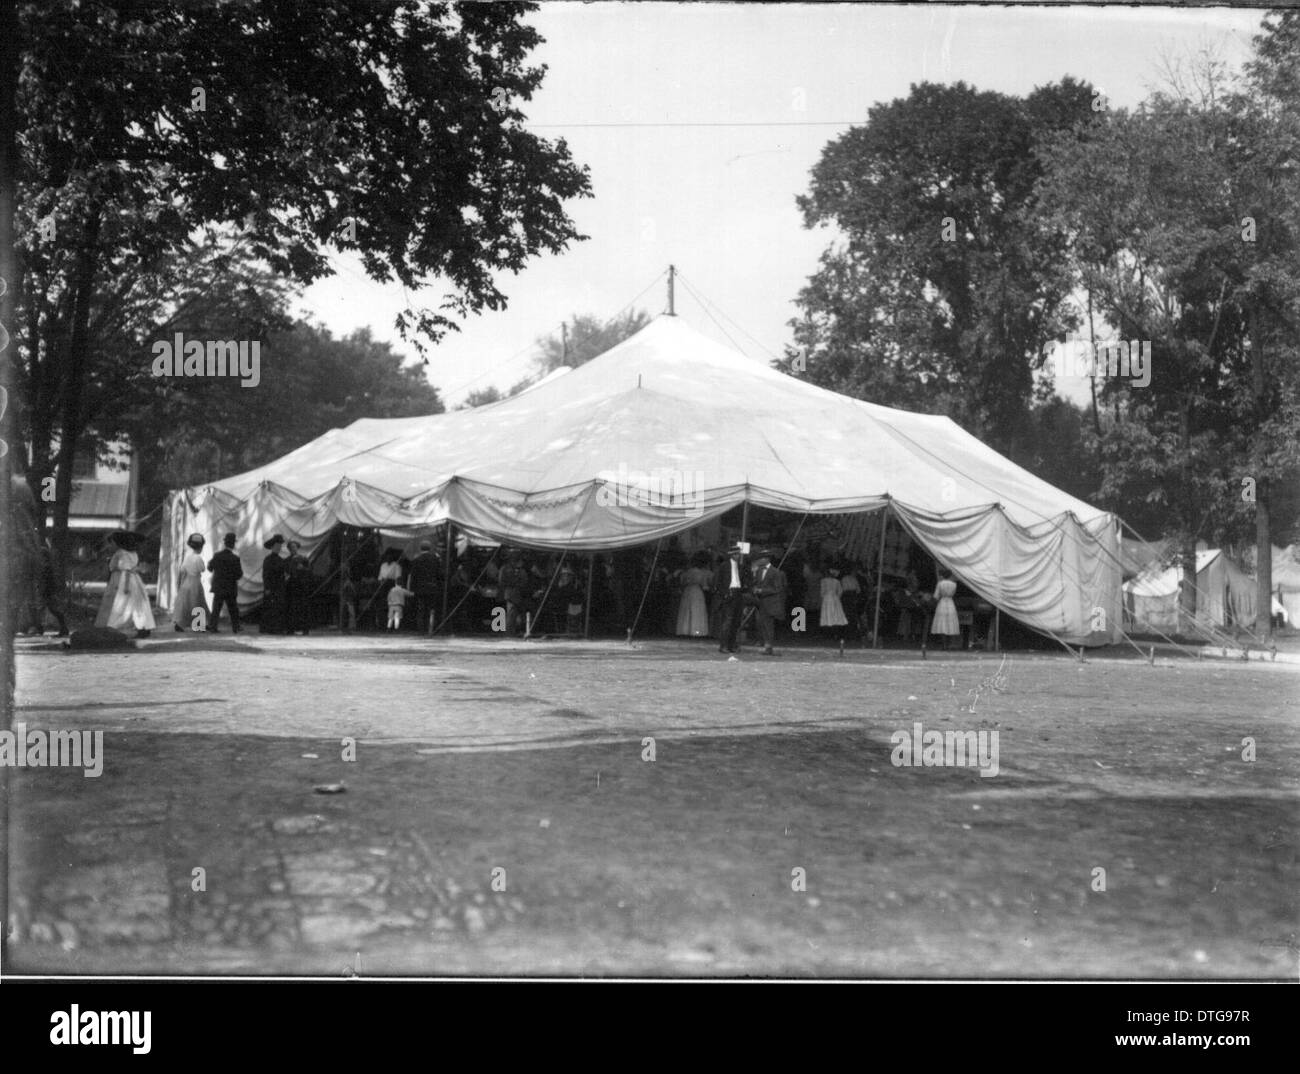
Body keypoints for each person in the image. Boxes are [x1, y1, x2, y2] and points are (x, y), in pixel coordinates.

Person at [95, 530, 155, 638]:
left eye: (112, 543)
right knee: (136, 604)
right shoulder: (132, 553)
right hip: (134, 579)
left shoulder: (121, 553)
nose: (110, 545)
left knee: (122, 604)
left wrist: (126, 586)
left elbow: (126, 570)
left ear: (118, 543)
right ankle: (142, 626)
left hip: (124, 580)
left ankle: (116, 626)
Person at [713, 543, 750, 654]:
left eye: (738, 554)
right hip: (729, 593)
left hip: (738, 593)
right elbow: (718, 582)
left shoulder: (741, 567)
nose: (737, 556)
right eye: (735, 554)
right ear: (731, 555)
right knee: (727, 621)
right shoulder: (724, 566)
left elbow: (744, 580)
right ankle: (723, 645)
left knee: (736, 621)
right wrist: (724, 594)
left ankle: (732, 644)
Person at [751, 549, 788, 656]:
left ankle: (768, 646)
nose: (759, 561)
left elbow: (777, 588)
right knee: (762, 624)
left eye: (761, 558)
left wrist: (762, 591)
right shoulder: (758, 571)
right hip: (760, 602)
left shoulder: (776, 572)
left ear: (766, 559)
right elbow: (755, 584)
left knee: (768, 625)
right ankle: (765, 644)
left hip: (771, 602)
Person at [207, 532, 243, 633]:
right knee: (233, 609)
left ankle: (213, 626)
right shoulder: (235, 558)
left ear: (225, 543)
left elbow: (210, 568)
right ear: (233, 544)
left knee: (216, 608)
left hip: (218, 587)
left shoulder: (217, 555)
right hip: (230, 588)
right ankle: (236, 627)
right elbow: (239, 574)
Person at [174, 533, 210, 632]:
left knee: (185, 604)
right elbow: (202, 569)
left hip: (186, 581)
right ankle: (198, 624)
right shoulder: (198, 558)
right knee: (197, 602)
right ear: (200, 547)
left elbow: (182, 570)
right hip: (195, 582)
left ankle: (180, 623)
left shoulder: (187, 557)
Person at [407, 538, 441, 633]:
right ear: (430, 548)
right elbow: (439, 574)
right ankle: (430, 628)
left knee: (421, 609)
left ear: (420, 548)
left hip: (420, 588)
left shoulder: (416, 560)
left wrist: (412, 588)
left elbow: (413, 575)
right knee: (431, 609)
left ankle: (421, 629)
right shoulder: (435, 559)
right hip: (432, 587)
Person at [675, 551, 712, 637]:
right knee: (697, 610)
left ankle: (685, 629)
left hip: (688, 591)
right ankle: (696, 630)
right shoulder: (701, 573)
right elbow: (704, 584)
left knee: (686, 610)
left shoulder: (687, 572)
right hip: (697, 591)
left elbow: (682, 581)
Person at [260, 535, 288, 635]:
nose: (279, 547)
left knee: (278, 608)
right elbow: (265, 575)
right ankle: (269, 628)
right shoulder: (268, 559)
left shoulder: (281, 560)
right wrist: (267, 587)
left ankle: (277, 628)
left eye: (280, 545)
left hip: (279, 587)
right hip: (271, 587)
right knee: (270, 608)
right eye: (277, 545)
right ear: (272, 547)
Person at [498, 549, 531, 635]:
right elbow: (501, 581)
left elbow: (525, 581)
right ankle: (509, 633)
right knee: (511, 614)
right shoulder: (505, 569)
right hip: (511, 593)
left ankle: (515, 632)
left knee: (517, 615)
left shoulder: (520, 570)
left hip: (519, 594)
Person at [284, 540, 313, 635]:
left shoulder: (303, 559)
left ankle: (305, 629)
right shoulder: (287, 561)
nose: (293, 549)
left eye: (295, 547)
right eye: (291, 547)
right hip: (291, 587)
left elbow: (310, 571)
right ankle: (291, 629)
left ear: (297, 548)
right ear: (289, 549)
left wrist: (303, 569)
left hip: (301, 587)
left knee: (303, 608)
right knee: (292, 608)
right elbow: (285, 573)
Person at [930, 567, 961, 650]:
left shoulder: (940, 583)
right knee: (950, 624)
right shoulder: (954, 584)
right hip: (950, 603)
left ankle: (944, 645)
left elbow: (936, 596)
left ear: (943, 575)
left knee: (942, 624)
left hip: (942, 603)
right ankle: (949, 645)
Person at [820, 565, 849, 642]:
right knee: (835, 616)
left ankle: (828, 634)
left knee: (827, 615)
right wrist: (836, 597)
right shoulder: (837, 581)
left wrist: (824, 597)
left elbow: (822, 591)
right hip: (835, 599)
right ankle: (835, 634)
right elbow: (840, 591)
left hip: (827, 599)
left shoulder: (823, 581)